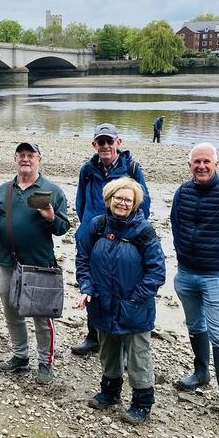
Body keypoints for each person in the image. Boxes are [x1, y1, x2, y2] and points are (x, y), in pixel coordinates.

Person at [76, 177, 165, 424]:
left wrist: (135, 299)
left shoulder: (143, 230)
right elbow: (82, 260)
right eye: (118, 198)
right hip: (102, 302)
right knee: (108, 349)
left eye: (128, 199)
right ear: (109, 199)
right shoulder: (97, 225)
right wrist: (86, 287)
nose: (122, 203)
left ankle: (142, 402)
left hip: (135, 306)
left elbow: (157, 271)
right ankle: (110, 392)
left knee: (139, 355)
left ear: (135, 203)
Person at [0, 142, 69, 384]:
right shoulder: (3, 190)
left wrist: (52, 218)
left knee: (42, 318)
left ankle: (45, 362)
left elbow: (63, 228)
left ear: (39, 159)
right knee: (12, 312)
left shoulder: (52, 190)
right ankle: (20, 356)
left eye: (30, 155)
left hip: (40, 264)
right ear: (14, 159)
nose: (25, 159)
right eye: (21, 155)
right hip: (8, 262)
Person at [72, 123, 151, 355]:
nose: (105, 146)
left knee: (120, 286)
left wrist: (132, 235)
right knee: (93, 286)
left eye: (110, 141)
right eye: (101, 142)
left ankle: (123, 342)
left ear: (119, 142)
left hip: (122, 237)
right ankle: (93, 335)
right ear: (94, 144)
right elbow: (80, 202)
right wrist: (88, 228)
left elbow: (143, 205)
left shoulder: (133, 168)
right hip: (93, 234)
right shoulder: (87, 169)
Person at [171, 143, 219, 418]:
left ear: (216, 164)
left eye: (207, 161)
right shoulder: (182, 192)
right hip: (186, 272)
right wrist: (181, 253)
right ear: (189, 164)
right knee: (195, 324)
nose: (201, 166)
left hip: (216, 275)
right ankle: (201, 371)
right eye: (197, 162)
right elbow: (174, 224)